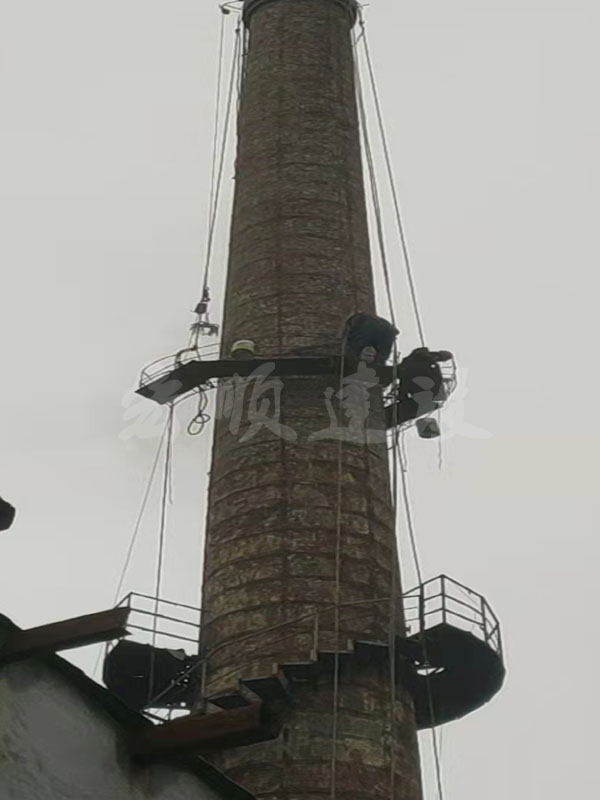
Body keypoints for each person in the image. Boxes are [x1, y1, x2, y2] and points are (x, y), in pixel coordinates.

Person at [385, 347, 454, 427]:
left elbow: (407, 374)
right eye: (443, 358)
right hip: (407, 379)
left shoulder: (423, 357)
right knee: (417, 406)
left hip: (403, 376)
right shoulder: (428, 363)